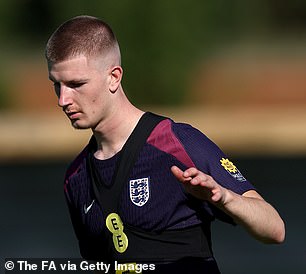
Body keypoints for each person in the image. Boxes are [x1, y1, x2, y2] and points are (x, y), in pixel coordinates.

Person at [45, 15, 285, 273]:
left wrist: (224, 197)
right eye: (57, 85)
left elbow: (274, 229)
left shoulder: (176, 142)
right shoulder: (76, 177)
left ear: (114, 77)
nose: (63, 99)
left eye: (76, 84)